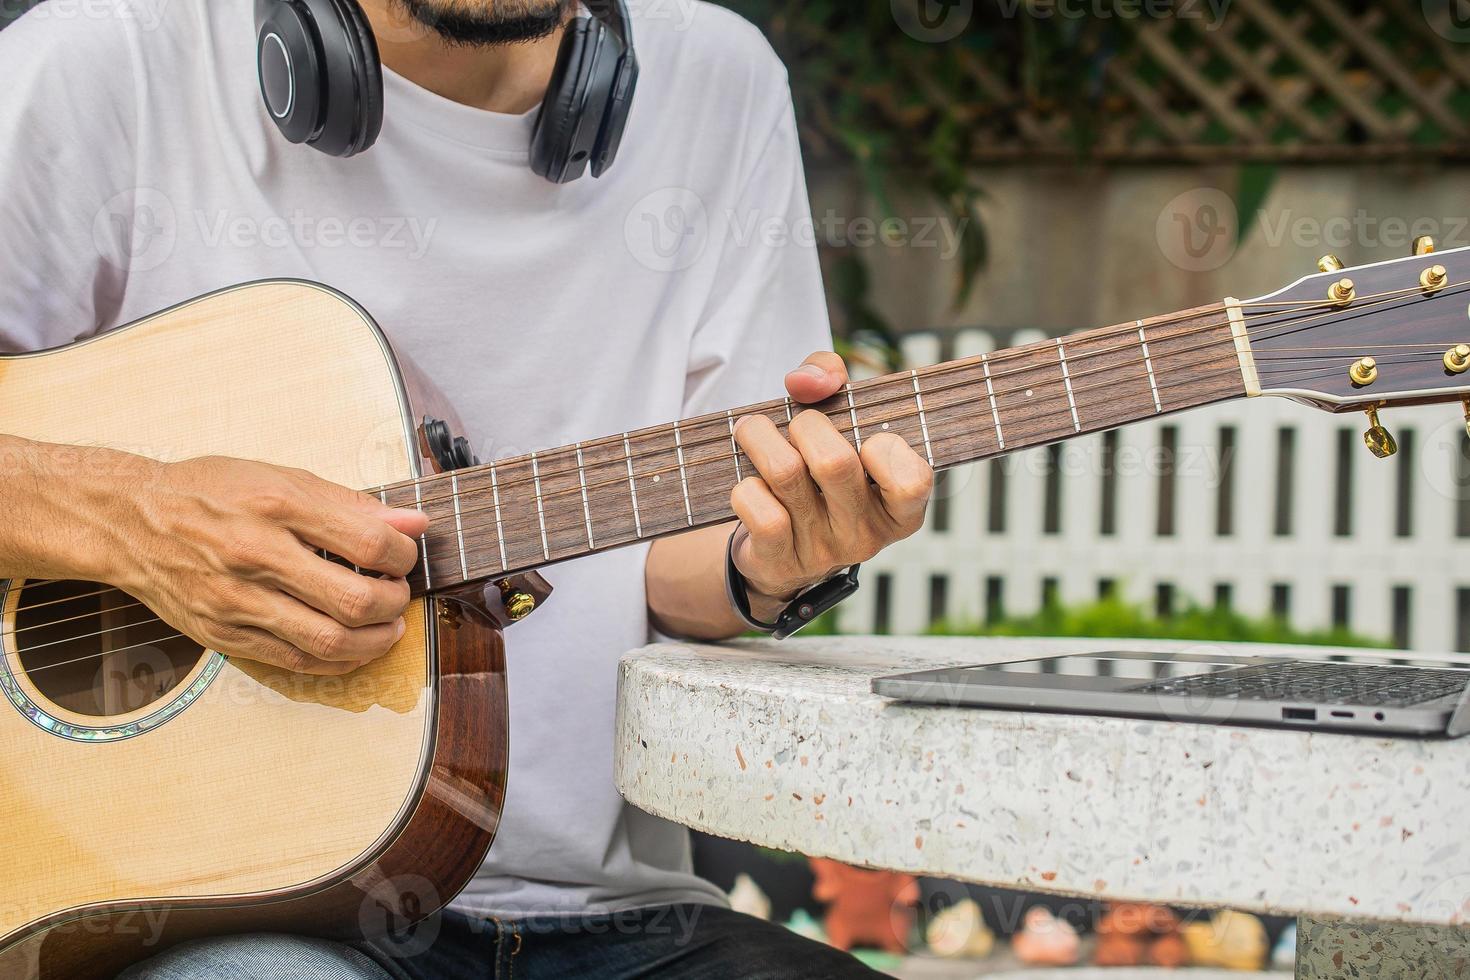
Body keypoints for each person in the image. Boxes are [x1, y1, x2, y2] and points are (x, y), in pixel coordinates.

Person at [0, 1, 933, 975]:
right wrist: (133, 515)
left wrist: (770, 562)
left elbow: (676, 567)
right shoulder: (112, 56)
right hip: (219, 914)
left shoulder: (717, 78)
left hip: (619, 911)